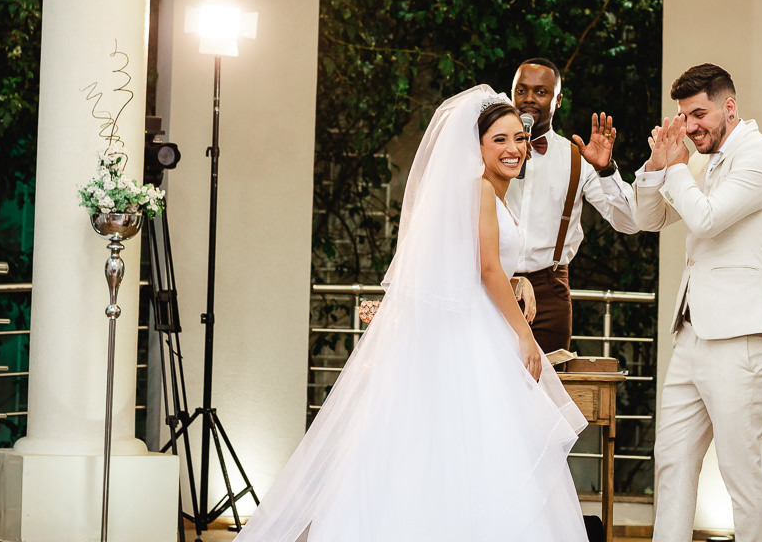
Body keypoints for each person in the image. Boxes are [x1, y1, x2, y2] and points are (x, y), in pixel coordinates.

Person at [233, 86, 589, 542]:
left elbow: (477, 260)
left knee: (467, 451)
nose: (513, 149)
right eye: (498, 140)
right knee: (475, 452)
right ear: (477, 147)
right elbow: (484, 269)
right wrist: (525, 335)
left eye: (518, 139)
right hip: (477, 336)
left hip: (480, 328)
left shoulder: (490, 196)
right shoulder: (479, 189)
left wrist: (518, 279)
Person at [632, 63, 762, 542]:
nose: (690, 126)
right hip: (692, 332)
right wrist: (657, 166)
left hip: (741, 336)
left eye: (699, 113)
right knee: (672, 458)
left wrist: (679, 167)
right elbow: (649, 219)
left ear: (729, 106)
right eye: (683, 116)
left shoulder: (761, 156)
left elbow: (704, 220)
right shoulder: (701, 159)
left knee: (738, 470)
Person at [508, 58, 639, 353]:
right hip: (493, 285)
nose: (529, 99)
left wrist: (606, 170)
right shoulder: (486, 151)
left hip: (549, 291)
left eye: (541, 92)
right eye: (522, 90)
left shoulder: (576, 158)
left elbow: (628, 223)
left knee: (545, 392)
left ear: (558, 99)